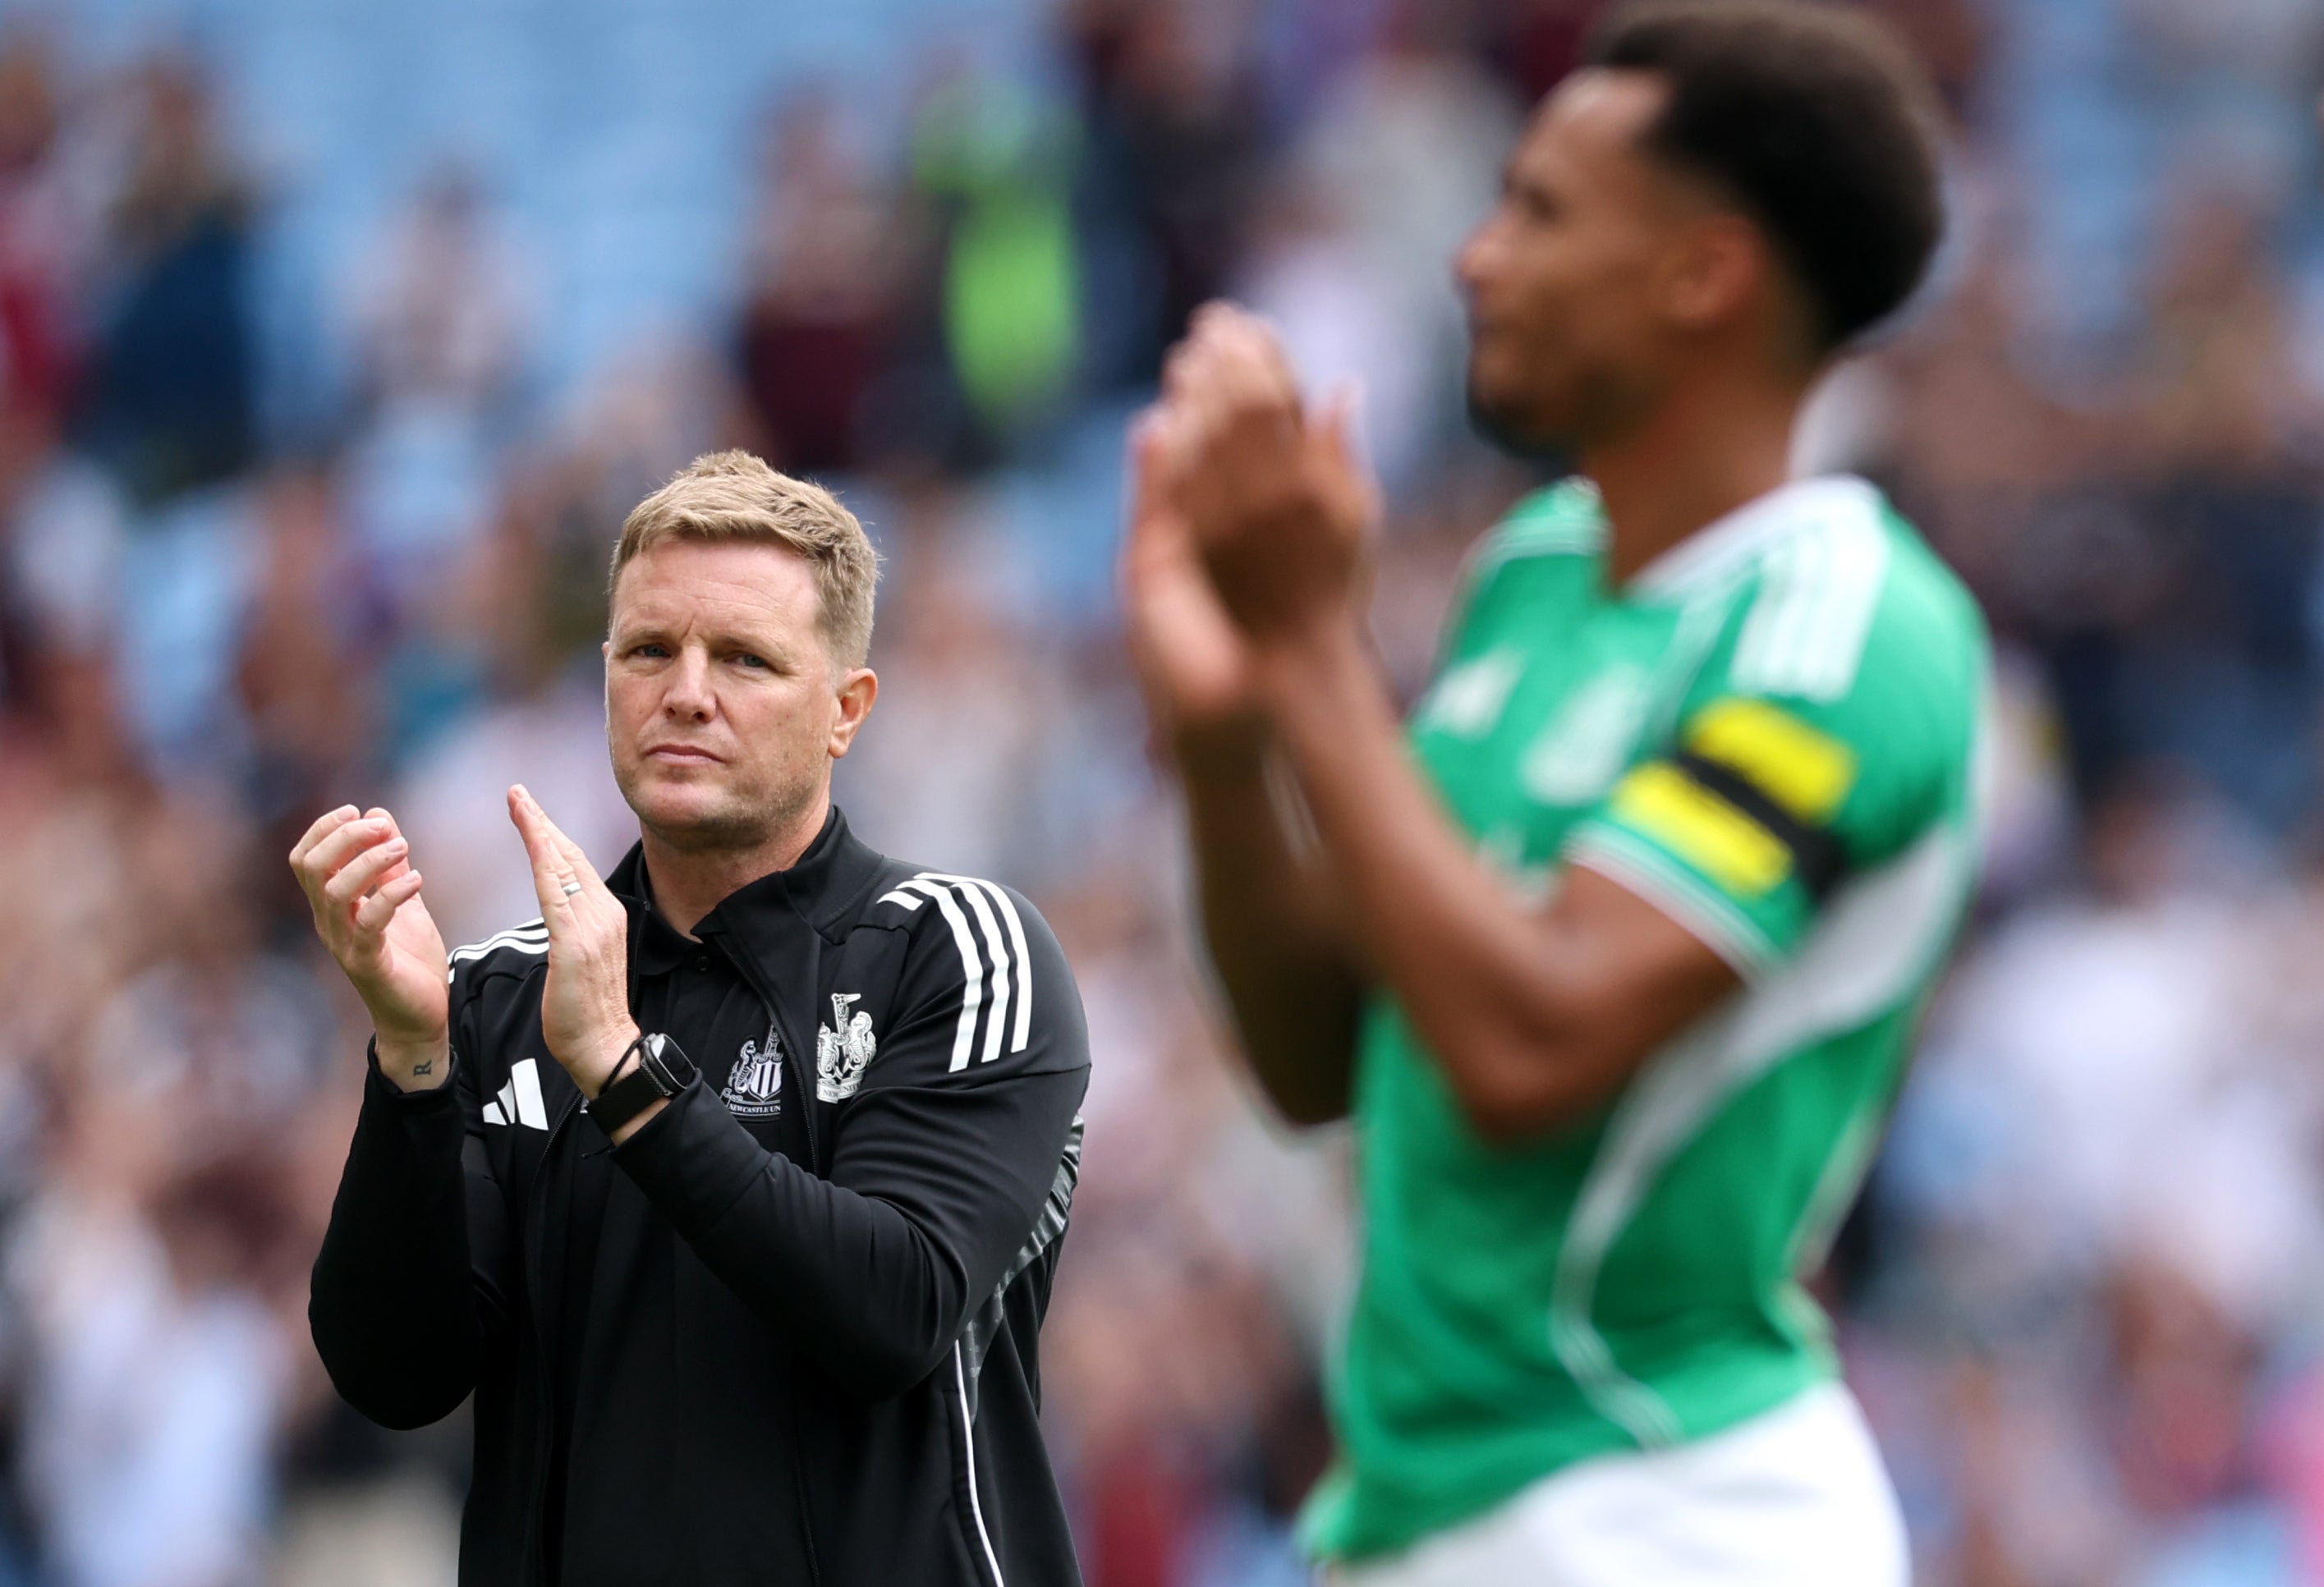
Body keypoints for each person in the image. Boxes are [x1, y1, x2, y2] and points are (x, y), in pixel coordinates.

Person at [1122, 3, 1982, 1584]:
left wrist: (1313, 647)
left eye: (1539, 210)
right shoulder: (1535, 575)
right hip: (1427, 1512)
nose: (1473, 257)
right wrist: (1232, 738)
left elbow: (1527, 1049)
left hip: (1666, 1510)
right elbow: (1322, 1058)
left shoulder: (1839, 627)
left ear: (1703, 275)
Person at [292, 451, 1091, 1586]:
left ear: (846, 710)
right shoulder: (499, 995)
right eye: (650, 650)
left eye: (746, 658)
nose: (687, 692)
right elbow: (395, 1375)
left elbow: (895, 1309)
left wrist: (626, 1078)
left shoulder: (957, 948)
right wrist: (411, 1060)